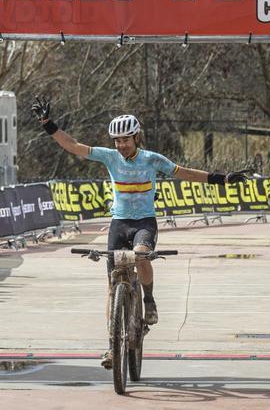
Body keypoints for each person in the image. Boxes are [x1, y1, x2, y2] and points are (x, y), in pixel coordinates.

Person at [30, 95, 243, 370]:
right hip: (119, 222)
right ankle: (111, 346)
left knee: (141, 256)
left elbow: (184, 173)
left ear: (136, 137)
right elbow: (72, 146)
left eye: (125, 140)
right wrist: (48, 124)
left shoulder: (152, 159)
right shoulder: (109, 157)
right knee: (111, 287)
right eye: (117, 141)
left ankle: (149, 300)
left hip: (144, 222)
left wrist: (221, 179)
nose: (120, 145)